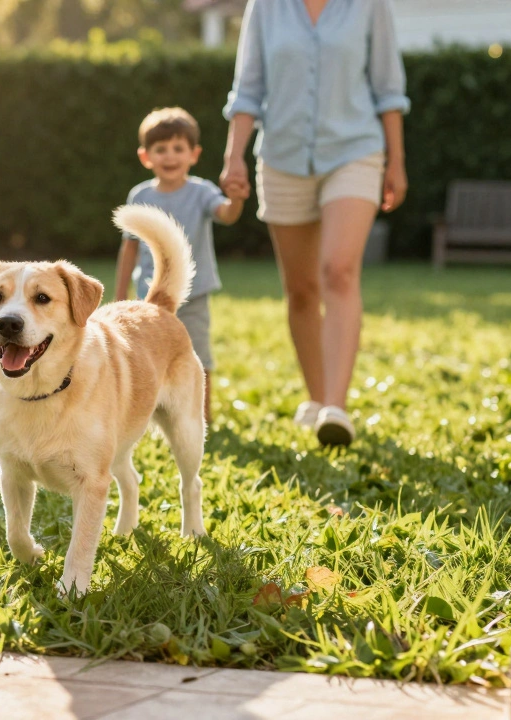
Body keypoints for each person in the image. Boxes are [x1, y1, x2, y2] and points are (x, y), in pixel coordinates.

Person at [220, 0, 409, 445]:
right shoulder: (266, 7)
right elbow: (247, 89)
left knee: (338, 272)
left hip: (355, 151)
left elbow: (388, 88)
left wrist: (396, 161)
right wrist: (234, 158)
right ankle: (319, 398)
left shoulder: (368, 6)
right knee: (301, 290)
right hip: (282, 158)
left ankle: (335, 408)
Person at [115, 108, 248, 423]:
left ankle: (202, 416)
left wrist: (237, 199)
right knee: (147, 356)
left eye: (178, 149)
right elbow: (129, 248)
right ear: (146, 157)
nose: (170, 156)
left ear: (194, 154)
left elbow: (227, 214)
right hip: (149, 301)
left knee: (198, 355)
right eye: (161, 149)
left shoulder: (202, 192)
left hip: (194, 294)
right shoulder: (140, 195)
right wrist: (121, 292)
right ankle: (146, 413)